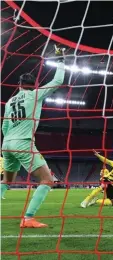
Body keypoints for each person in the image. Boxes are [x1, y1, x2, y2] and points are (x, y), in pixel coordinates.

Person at [1, 46, 65, 228]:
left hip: (6, 144)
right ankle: (28, 218)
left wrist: (10, 142)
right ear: (33, 85)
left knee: (6, 181)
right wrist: (61, 59)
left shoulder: (10, 102)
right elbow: (58, 80)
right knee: (47, 180)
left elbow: (4, 126)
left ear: (19, 85)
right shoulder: (35, 95)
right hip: (23, 143)